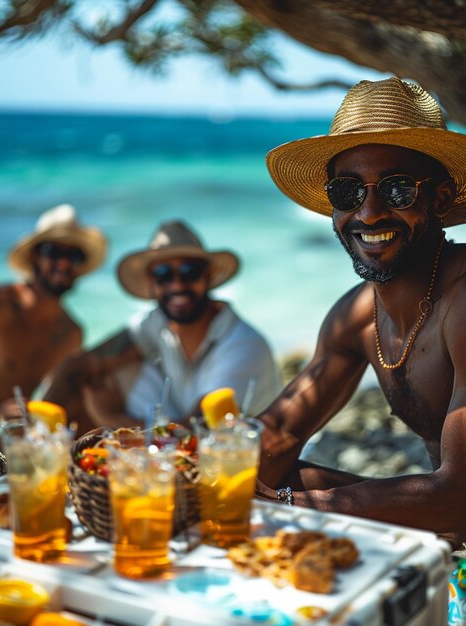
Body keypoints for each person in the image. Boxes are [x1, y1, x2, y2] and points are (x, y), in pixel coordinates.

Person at [256, 77, 466, 547]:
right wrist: (186, 466)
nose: (368, 214)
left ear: (441, 197)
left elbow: (459, 495)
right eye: (347, 192)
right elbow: (280, 432)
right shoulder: (356, 318)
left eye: (395, 190)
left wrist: (283, 506)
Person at [43, 219, 280, 427]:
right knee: (108, 375)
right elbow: (80, 366)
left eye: (189, 271)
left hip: (241, 464)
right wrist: (37, 423)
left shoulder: (243, 346)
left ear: (207, 277)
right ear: (151, 283)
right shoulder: (157, 323)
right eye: (164, 274)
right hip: (185, 432)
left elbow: (199, 437)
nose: (177, 285)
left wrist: (111, 419)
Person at [0, 204, 107, 446]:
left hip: (14, 450)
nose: (63, 263)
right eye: (53, 252)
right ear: (35, 257)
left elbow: (55, 402)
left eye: (73, 256)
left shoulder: (71, 333)